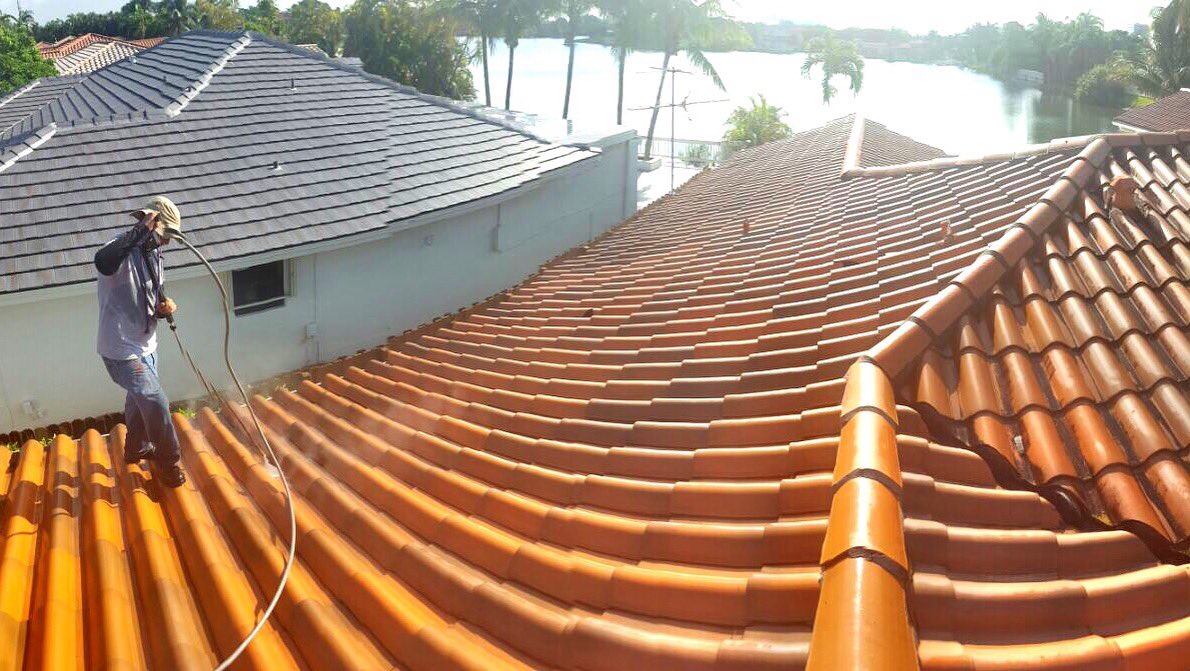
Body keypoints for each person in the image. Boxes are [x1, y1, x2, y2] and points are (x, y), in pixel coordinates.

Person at [94, 196, 185, 488]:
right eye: (165, 234)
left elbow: (154, 293)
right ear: (150, 224)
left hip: (147, 346)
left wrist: (165, 306)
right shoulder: (119, 249)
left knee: (138, 399)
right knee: (154, 400)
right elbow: (102, 261)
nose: (167, 242)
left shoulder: (155, 255)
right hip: (121, 351)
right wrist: (142, 229)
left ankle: (136, 448)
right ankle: (169, 463)